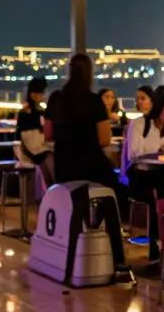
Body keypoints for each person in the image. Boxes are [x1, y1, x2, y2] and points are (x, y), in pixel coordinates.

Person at [51, 54, 127, 272]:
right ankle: (115, 254)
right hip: (88, 163)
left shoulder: (58, 98)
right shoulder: (93, 100)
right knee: (117, 194)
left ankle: (83, 232)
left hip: (63, 166)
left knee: (85, 198)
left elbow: (50, 133)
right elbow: (104, 139)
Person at [121, 87, 164, 206]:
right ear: (158, 108)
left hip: (163, 173)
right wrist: (160, 150)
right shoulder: (139, 124)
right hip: (141, 175)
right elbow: (133, 155)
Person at [16, 77, 50, 166]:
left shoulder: (33, 112)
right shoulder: (28, 113)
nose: (43, 96)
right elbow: (29, 140)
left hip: (31, 155)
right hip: (32, 158)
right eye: (41, 93)